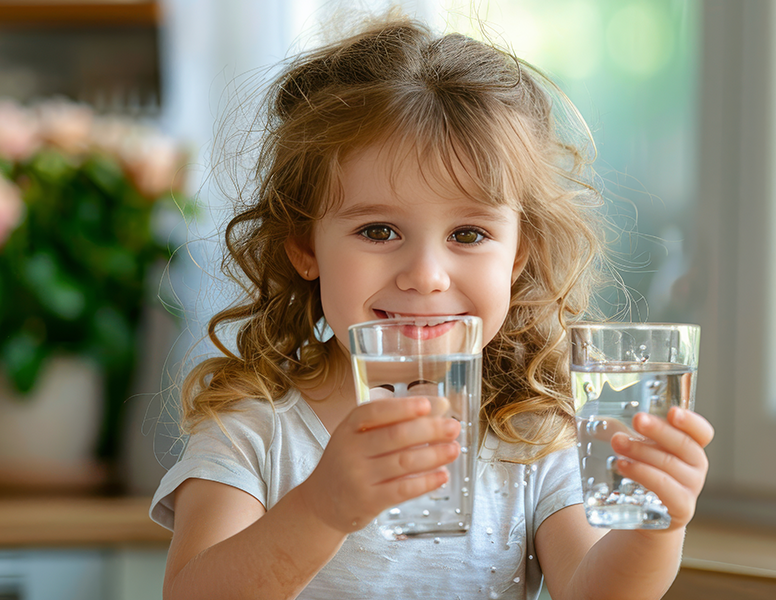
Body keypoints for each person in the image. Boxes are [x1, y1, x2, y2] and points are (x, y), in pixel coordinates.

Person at [150, 11, 715, 600]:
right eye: (377, 231)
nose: (425, 276)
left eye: (468, 235)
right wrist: (323, 507)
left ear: (519, 256)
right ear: (303, 246)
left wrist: (656, 525)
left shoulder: (530, 437)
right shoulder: (255, 431)